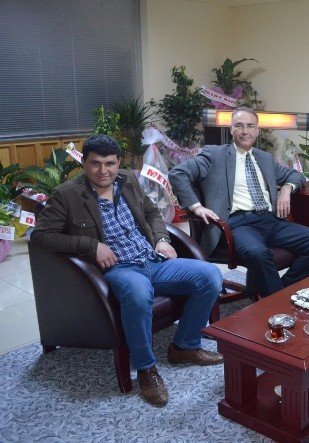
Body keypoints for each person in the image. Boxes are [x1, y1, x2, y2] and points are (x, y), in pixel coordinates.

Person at [31, 135, 225, 408]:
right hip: (120, 268)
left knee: (210, 276)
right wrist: (90, 246)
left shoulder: (128, 180)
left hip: (153, 260)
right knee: (138, 294)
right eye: (95, 163)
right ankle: (146, 369)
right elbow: (41, 236)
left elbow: (153, 214)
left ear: (118, 161)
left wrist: (162, 239)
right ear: (83, 163)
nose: (103, 171)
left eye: (109, 163)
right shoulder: (67, 195)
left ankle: (184, 346)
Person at [169, 107, 309, 297]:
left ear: (257, 130)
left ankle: (279, 292)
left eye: (250, 126)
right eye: (239, 126)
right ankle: (277, 302)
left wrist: (286, 189)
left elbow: (296, 175)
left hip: (272, 220)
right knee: (258, 253)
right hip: (238, 224)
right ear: (231, 129)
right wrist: (196, 207)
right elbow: (177, 174)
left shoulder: (264, 158)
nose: (245, 131)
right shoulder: (215, 155)